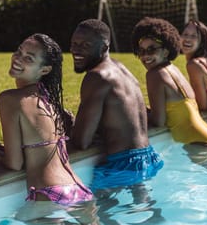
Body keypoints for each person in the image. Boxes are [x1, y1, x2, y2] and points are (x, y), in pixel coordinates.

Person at [0, 33, 124, 225]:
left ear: (44, 69)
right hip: (78, 189)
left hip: (48, 192)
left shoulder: (10, 99)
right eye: (19, 51)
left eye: (29, 57)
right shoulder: (49, 100)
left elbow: (15, 164)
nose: (18, 58)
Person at [70, 19, 164, 192]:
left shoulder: (97, 77)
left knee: (91, 211)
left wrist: (68, 124)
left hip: (124, 164)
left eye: (86, 45)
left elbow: (81, 141)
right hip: (147, 156)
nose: (76, 49)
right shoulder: (120, 67)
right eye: (74, 43)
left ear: (104, 48)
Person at [131, 17, 207, 149]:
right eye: (141, 51)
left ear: (166, 51)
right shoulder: (174, 70)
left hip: (201, 144)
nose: (146, 56)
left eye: (151, 49)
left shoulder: (154, 75)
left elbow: (159, 121)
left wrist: (137, 111)